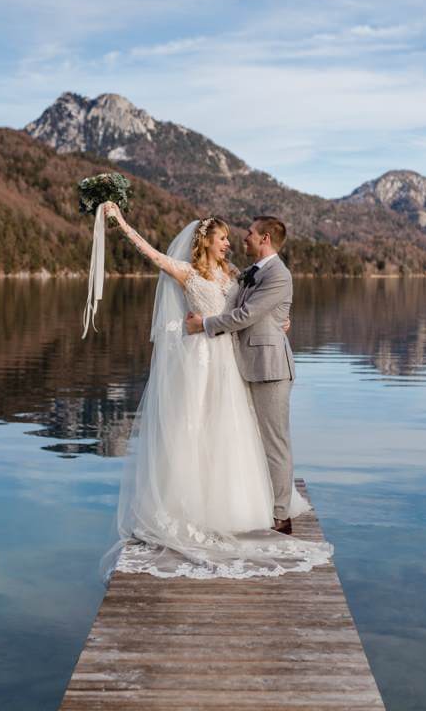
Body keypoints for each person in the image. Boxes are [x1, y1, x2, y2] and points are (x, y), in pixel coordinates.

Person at [99, 202, 331, 580]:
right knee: (195, 430)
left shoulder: (235, 273)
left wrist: (277, 322)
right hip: (202, 363)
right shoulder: (189, 272)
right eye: (223, 237)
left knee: (235, 433)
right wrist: (122, 223)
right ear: (205, 240)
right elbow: (152, 253)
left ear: (264, 238)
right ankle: (193, 507)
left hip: (231, 362)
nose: (232, 241)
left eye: (239, 236)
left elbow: (250, 311)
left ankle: (252, 508)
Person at [184, 216, 297, 533]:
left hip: (270, 369)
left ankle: (280, 516)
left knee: (275, 443)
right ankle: (259, 505)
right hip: (245, 364)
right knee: (254, 441)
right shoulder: (249, 273)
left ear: (265, 239)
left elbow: (247, 315)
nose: (242, 238)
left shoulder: (278, 274)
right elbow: (232, 302)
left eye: (249, 233)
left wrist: (203, 326)